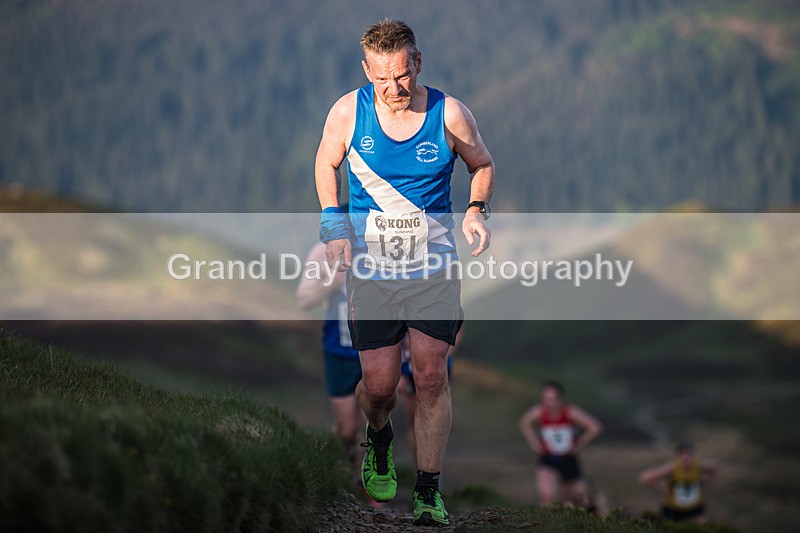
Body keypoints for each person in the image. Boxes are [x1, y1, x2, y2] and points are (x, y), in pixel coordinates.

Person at [314, 18, 495, 526]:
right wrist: (333, 222)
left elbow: (482, 163)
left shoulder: (450, 114)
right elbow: (325, 163)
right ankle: (379, 436)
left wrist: (477, 210)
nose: (393, 89)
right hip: (371, 268)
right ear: (367, 70)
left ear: (417, 63)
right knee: (379, 386)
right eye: (381, 79)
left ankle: (429, 490)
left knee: (432, 374)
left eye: (402, 75)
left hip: (433, 265)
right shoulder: (348, 112)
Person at [296, 239, 376, 501]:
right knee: (346, 430)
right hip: (339, 351)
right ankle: (342, 472)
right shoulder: (322, 251)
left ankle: (366, 485)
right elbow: (304, 299)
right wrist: (334, 279)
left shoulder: (381, 247)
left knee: (373, 423)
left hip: (376, 349)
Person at [518, 380, 603, 508]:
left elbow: (595, 427)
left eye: (552, 399)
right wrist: (534, 443)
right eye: (546, 399)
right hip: (548, 458)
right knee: (546, 496)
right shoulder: (539, 412)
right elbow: (524, 423)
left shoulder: (570, 412)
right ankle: (545, 524)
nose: (549, 403)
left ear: (560, 399)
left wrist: (579, 444)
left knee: (570, 501)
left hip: (568, 459)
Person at [639, 441, 717, 523]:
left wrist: (704, 482)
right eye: (683, 454)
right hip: (674, 510)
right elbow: (645, 478)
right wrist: (664, 489)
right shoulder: (672, 468)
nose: (686, 458)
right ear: (678, 456)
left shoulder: (698, 466)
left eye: (689, 454)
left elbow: (714, 468)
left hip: (695, 508)